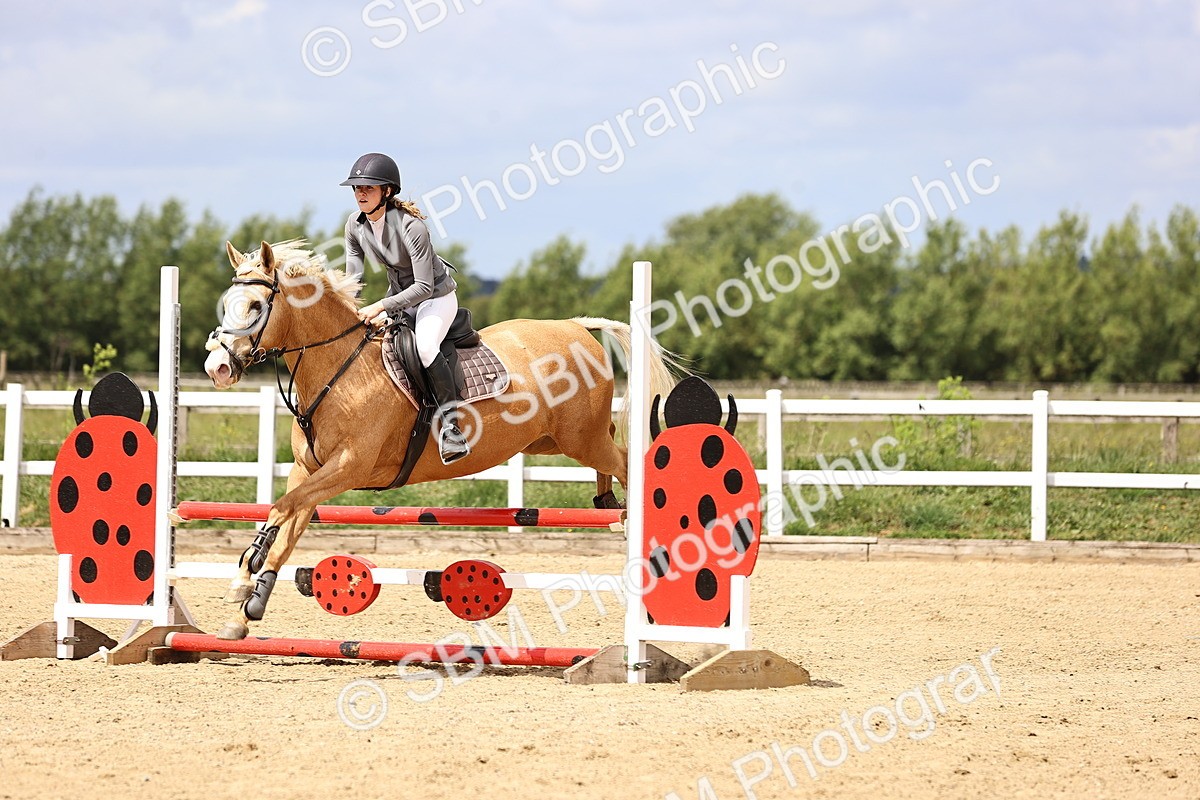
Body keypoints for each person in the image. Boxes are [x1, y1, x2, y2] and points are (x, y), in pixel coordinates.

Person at [340, 152, 470, 464]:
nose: (360, 194)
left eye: (368, 188)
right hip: (400, 297)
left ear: (386, 191)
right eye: (356, 188)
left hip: (435, 297)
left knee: (425, 347)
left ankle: (452, 428)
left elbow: (424, 287)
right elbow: (352, 281)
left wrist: (380, 306)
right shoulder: (355, 226)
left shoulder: (412, 227)